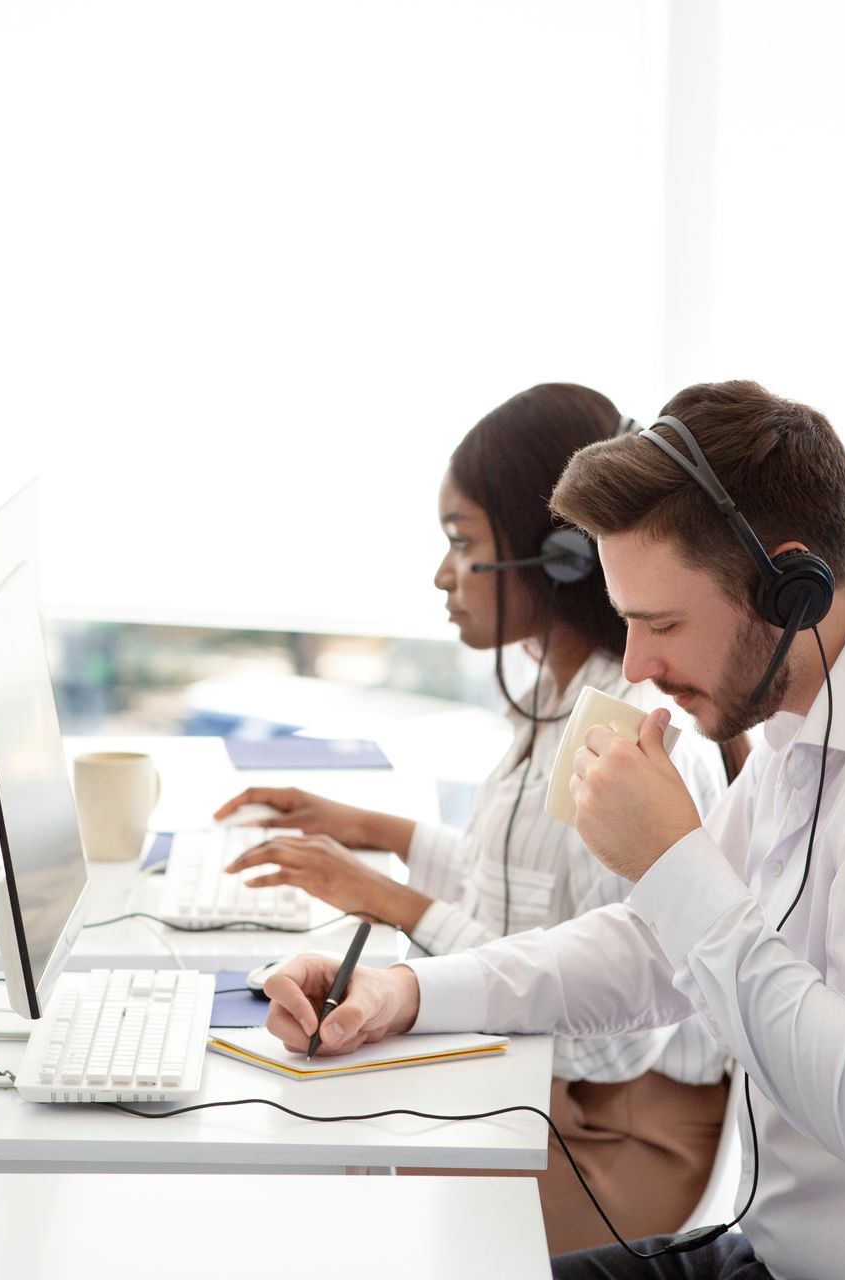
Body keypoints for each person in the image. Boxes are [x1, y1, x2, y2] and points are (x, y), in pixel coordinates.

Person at [259, 380, 845, 1280]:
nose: (638, 665)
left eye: (661, 623)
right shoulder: (811, 707)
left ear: (790, 588)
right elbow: (653, 949)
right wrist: (407, 994)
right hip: (770, 1254)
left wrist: (672, 859)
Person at [215, 383, 733, 1252]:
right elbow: (526, 895)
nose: (441, 576)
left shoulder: (629, 731)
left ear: (561, 557)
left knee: (336, 1215)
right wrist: (379, 831)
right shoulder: (555, 693)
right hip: (546, 1093)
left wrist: (397, 903)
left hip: (618, 1135)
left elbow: (612, 1047)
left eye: (462, 544)